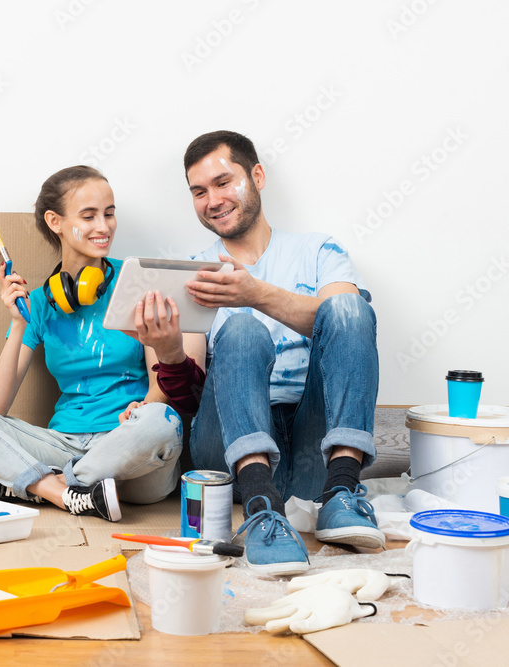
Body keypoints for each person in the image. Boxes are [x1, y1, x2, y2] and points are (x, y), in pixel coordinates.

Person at [144, 130, 384, 575]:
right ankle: (260, 507)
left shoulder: (318, 251)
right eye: (199, 192)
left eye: (222, 182)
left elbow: (345, 326)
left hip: (316, 445)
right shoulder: (193, 273)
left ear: (256, 176)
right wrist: (169, 351)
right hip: (230, 454)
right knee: (238, 328)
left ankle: (340, 495)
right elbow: (193, 401)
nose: (212, 200)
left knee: (350, 307)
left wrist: (256, 293)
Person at [0, 165, 184, 522]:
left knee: (162, 421)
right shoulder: (39, 303)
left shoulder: (138, 282)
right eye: (88, 216)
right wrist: (18, 321)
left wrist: (137, 417)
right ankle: (61, 492)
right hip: (62, 443)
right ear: (55, 221)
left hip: (130, 449)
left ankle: (33, 483)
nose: (103, 227)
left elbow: (159, 387)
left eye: (109, 214)